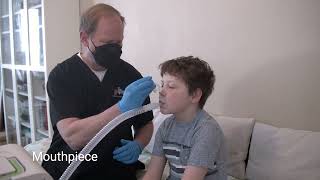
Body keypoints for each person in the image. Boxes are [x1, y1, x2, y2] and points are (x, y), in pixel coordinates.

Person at [42, 3, 155, 180]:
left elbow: (146, 123)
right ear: (84, 38)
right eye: (107, 43)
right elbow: (73, 137)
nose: (114, 49)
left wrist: (139, 144)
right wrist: (122, 107)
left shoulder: (130, 74)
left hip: (117, 169)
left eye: (118, 42)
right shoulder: (62, 76)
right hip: (70, 168)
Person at [143, 56, 227, 180]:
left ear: (194, 95)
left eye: (170, 86)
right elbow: (152, 175)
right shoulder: (166, 126)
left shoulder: (207, 130)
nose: (161, 92)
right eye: (162, 84)